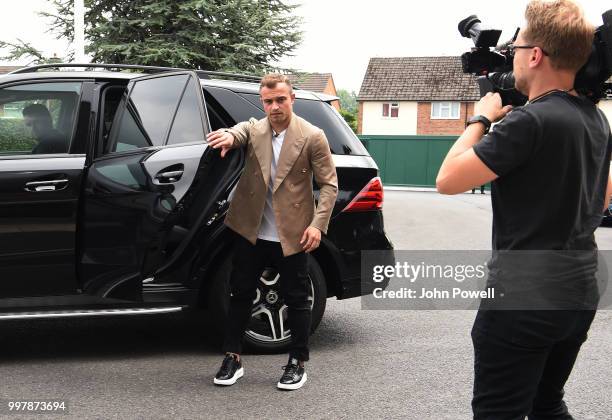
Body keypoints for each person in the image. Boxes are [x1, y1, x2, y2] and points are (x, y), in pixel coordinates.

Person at [436, 0, 612, 418]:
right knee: (546, 403)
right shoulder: (595, 118)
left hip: (523, 300)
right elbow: (602, 198)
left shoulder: (528, 122)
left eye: (515, 46)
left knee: (500, 411)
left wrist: (480, 119)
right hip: (579, 291)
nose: (511, 54)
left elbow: (447, 180)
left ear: (535, 54)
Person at [205, 73, 338, 390]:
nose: (274, 106)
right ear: (262, 102)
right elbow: (239, 131)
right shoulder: (256, 128)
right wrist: (227, 135)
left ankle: (297, 363)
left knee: (297, 300)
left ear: (291, 99)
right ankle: (233, 358)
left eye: (280, 99)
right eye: (268, 101)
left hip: (292, 234)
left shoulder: (313, 136)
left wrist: (317, 226)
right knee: (239, 295)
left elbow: (330, 186)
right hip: (251, 231)